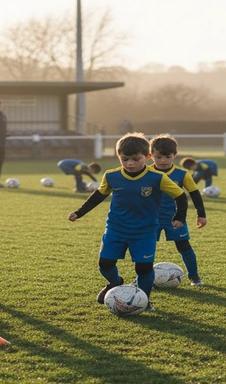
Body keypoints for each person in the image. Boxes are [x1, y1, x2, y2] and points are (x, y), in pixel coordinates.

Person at [67, 132, 188, 311]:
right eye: (125, 159)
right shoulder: (111, 176)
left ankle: (144, 300)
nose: (130, 163)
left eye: (135, 159)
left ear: (147, 157)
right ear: (118, 156)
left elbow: (180, 196)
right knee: (105, 264)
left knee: (144, 268)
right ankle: (115, 282)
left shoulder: (157, 177)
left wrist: (179, 217)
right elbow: (98, 195)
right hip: (116, 228)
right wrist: (79, 212)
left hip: (145, 231)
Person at [149, 134, 208, 286]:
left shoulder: (182, 174)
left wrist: (201, 215)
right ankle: (143, 278)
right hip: (149, 219)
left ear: (175, 155)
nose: (163, 161)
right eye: (158, 157)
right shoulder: (145, 172)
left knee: (184, 246)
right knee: (146, 249)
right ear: (151, 155)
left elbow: (195, 194)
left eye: (167, 157)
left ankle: (194, 277)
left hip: (175, 219)